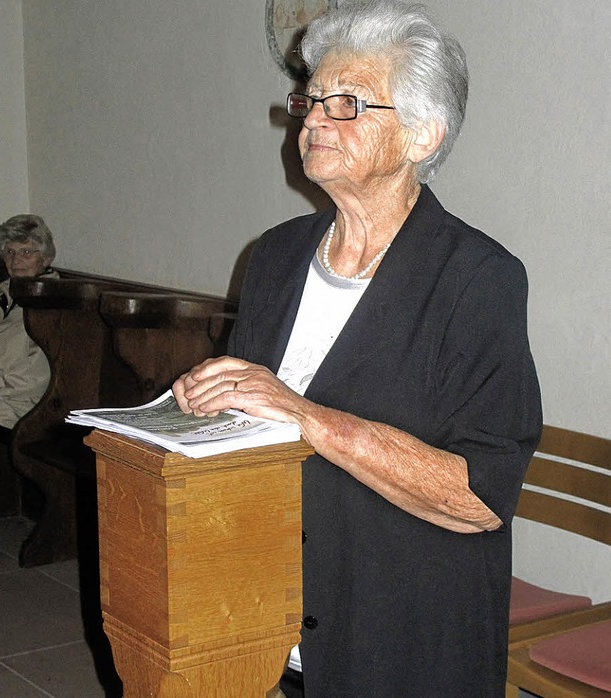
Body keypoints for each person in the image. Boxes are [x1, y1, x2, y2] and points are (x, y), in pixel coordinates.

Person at [173, 1, 542, 695]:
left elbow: (480, 498)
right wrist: (205, 399)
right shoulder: (277, 255)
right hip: (281, 603)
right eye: (311, 100)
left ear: (420, 136)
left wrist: (304, 415)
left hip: (406, 629)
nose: (312, 120)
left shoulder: (477, 279)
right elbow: (253, 412)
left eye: (346, 104)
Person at [0, 214, 57, 561]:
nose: (16, 260)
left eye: (26, 251)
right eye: (9, 251)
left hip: (29, 400)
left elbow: (35, 373)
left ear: (45, 257)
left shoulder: (52, 300)